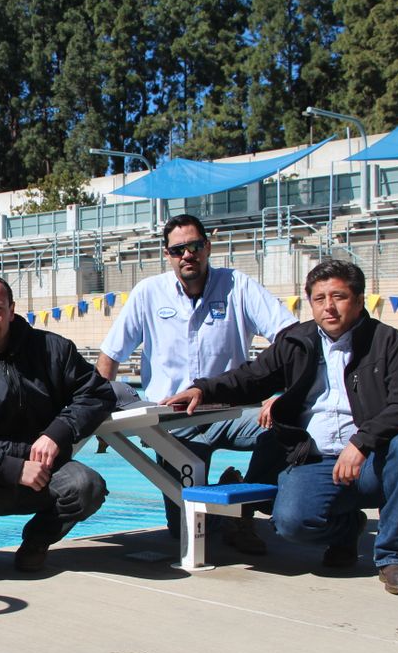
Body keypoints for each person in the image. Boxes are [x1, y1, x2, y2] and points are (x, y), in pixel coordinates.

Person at [164, 259, 398, 595]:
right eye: (320, 299)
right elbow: (252, 377)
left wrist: (362, 443)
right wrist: (204, 389)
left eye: (339, 297)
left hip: (373, 457)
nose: (329, 307)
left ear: (360, 299)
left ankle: (394, 557)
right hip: (317, 458)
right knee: (290, 524)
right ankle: (346, 529)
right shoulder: (298, 341)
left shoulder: (388, 343)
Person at [96, 213, 296, 553]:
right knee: (184, 530)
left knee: (288, 426)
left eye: (195, 246)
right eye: (178, 249)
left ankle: (242, 508)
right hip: (172, 423)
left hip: (231, 412)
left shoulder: (238, 286)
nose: (187, 254)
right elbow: (110, 356)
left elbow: (291, 338)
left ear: (208, 246)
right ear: (167, 254)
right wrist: (97, 412)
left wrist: (285, 395)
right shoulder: (148, 294)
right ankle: (227, 502)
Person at [0, 273, 116, 573]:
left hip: (46, 473)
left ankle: (37, 541)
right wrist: (12, 469)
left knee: (87, 486)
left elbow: (97, 393)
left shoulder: (52, 350)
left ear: (12, 310)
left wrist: (58, 432)